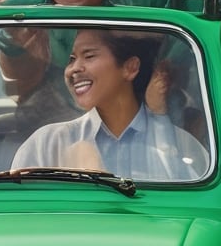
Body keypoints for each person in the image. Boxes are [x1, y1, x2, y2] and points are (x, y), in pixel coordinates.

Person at [0, 0, 221, 135]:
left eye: (89, 55)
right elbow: (16, 82)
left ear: (131, 67)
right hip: (58, 158)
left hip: (155, 149)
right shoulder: (23, 15)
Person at [11, 29, 208, 181]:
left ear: (130, 68)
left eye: (88, 56)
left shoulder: (181, 144)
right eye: (72, 59)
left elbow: (191, 209)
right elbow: (21, 215)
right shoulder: (46, 143)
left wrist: (160, 122)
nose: (74, 69)